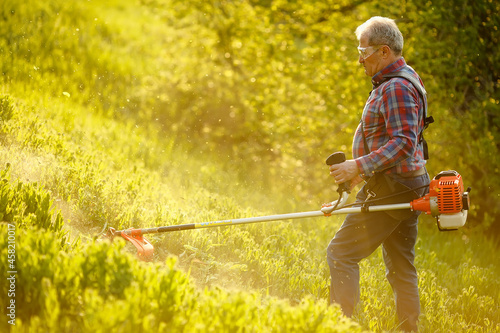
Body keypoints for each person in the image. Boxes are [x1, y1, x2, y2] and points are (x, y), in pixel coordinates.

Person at [327, 17, 430, 332]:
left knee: (341, 252)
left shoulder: (397, 86)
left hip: (394, 188)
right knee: (401, 266)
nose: (359, 59)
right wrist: (358, 177)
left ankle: (338, 327)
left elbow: (402, 143)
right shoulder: (401, 77)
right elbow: (394, 143)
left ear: (384, 51)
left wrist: (357, 165)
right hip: (406, 184)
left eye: (364, 51)